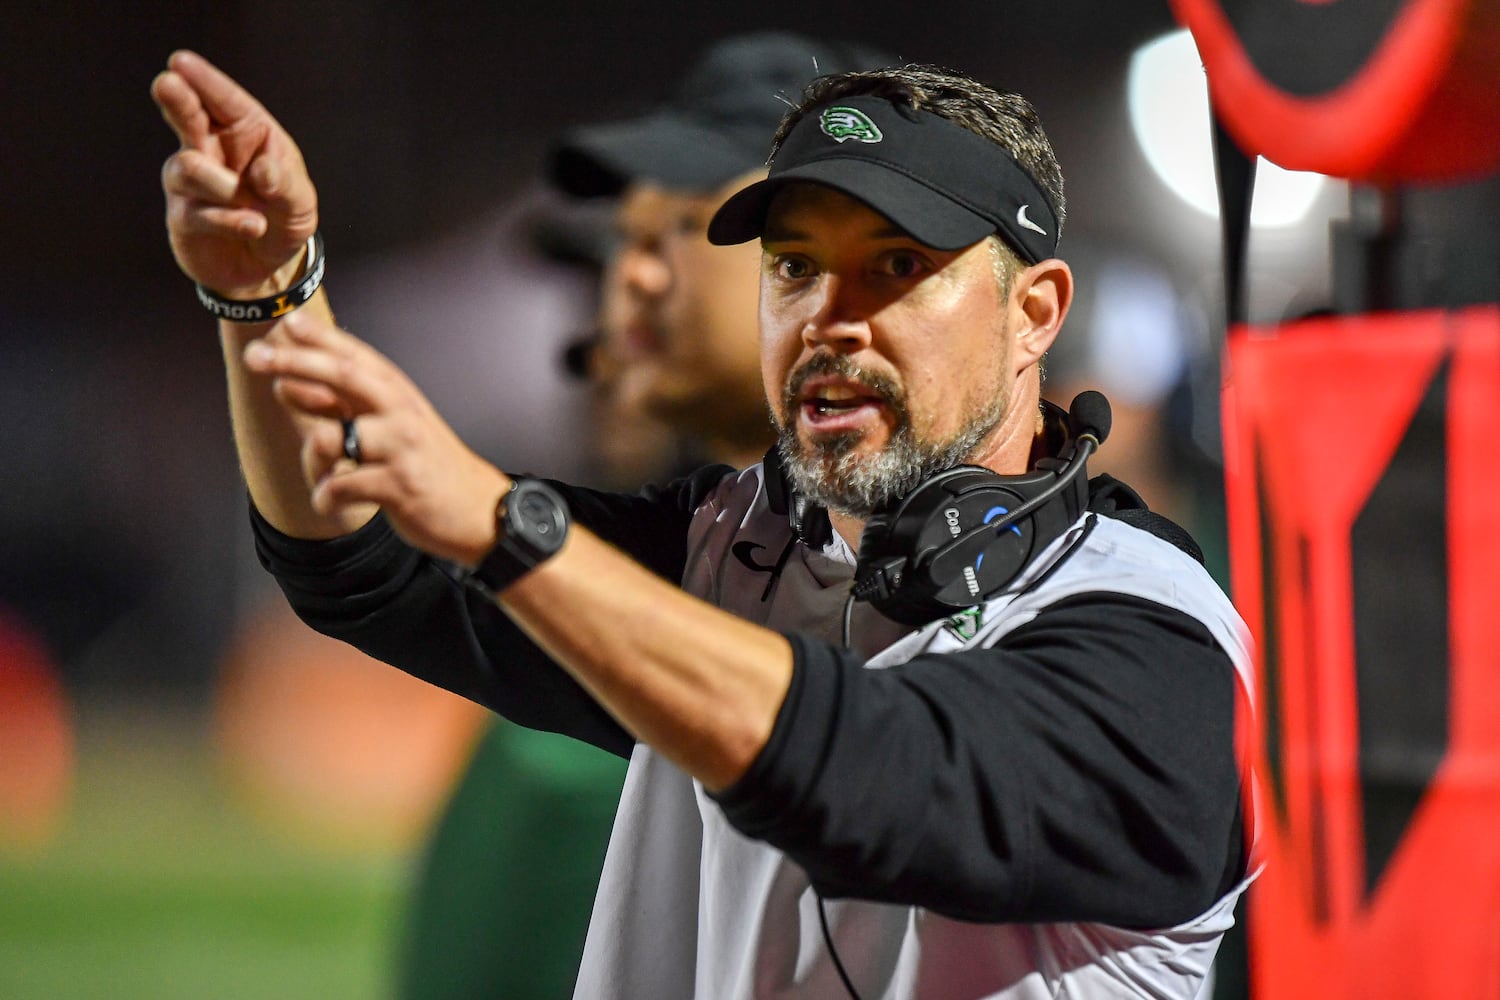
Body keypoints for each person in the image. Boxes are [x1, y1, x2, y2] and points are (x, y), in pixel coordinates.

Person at [154, 47, 1256, 1000]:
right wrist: (268, 298)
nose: (829, 315)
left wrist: (512, 530)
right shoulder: (734, 542)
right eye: (794, 266)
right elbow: (360, 560)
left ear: (1034, 313)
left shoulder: (1152, 636)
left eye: (896, 267)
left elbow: (881, 773)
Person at [398, 32, 894, 999]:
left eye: (674, 233)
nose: (609, 314)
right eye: (617, 247)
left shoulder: (976, 592)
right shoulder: (693, 555)